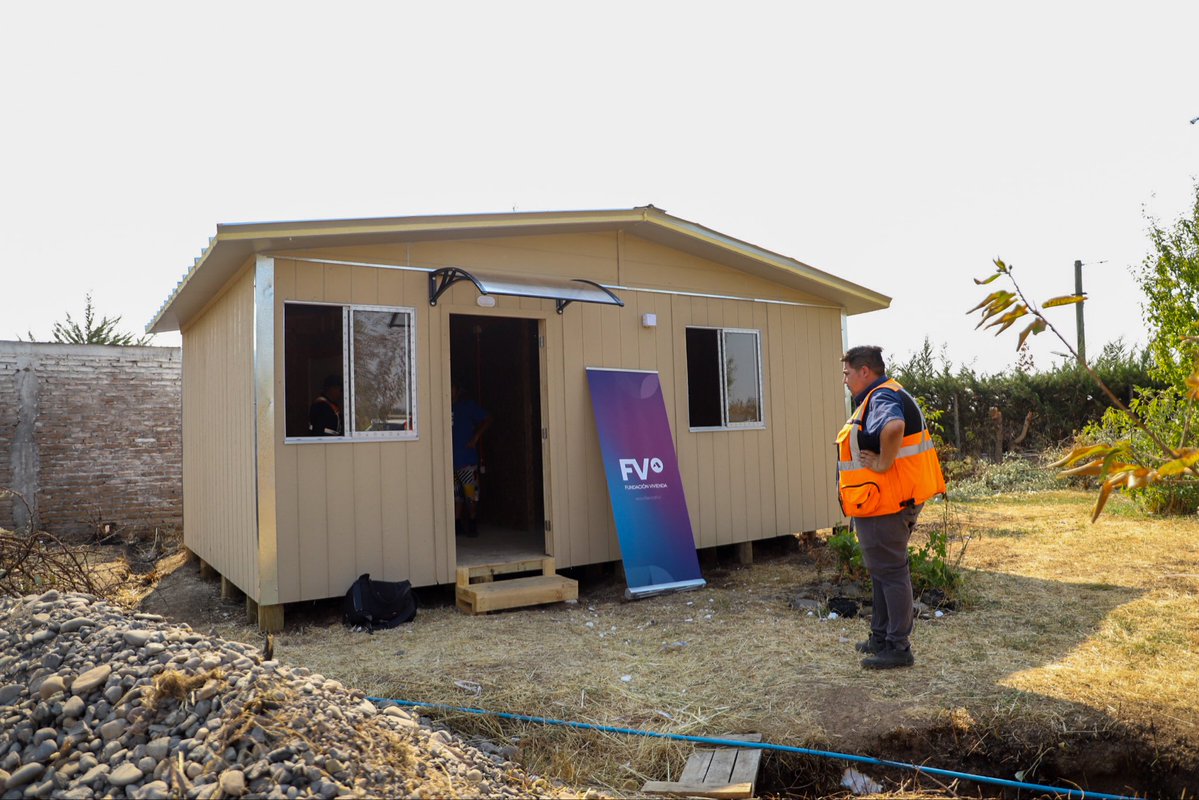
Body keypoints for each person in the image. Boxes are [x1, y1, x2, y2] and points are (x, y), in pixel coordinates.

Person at [836, 346, 946, 669]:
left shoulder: (882, 397)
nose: (844, 380)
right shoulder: (880, 395)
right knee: (881, 571)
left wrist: (883, 464)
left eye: (847, 373)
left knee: (891, 572)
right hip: (884, 501)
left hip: (888, 502)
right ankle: (881, 637)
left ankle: (898, 647)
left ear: (865, 371)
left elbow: (894, 427)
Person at [451, 384, 492, 537]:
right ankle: (457, 525)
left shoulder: (468, 406)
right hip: (450, 462)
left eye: (452, 387)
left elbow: (488, 418)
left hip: (467, 460)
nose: (450, 391)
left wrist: (476, 437)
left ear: (458, 390)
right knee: (456, 495)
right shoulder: (443, 407)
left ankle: (473, 523)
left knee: (471, 495)